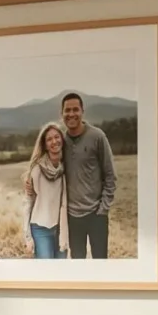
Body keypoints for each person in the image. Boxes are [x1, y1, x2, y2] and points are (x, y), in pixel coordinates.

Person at [59, 92, 116, 259]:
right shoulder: (60, 141)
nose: (71, 114)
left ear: (82, 111)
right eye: (67, 110)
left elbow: (110, 176)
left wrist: (103, 209)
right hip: (72, 217)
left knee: (100, 262)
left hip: (96, 214)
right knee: (78, 264)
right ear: (61, 113)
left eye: (75, 109)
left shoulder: (97, 136)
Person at [21, 122, 69, 259]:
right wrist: (27, 237)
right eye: (49, 139)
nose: (54, 141)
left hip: (61, 228)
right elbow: (27, 202)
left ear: (62, 139)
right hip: (40, 229)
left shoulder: (67, 168)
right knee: (45, 274)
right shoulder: (37, 170)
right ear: (45, 145)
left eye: (57, 137)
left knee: (60, 273)